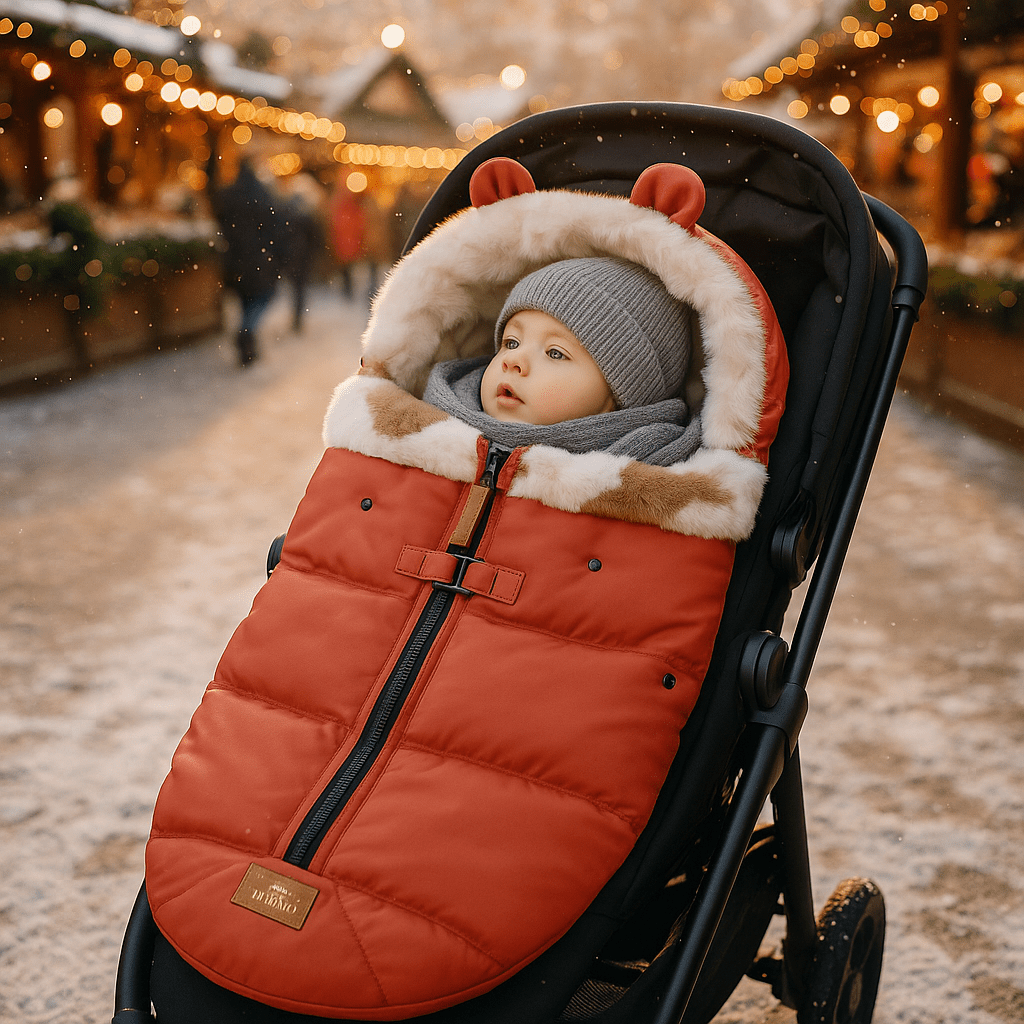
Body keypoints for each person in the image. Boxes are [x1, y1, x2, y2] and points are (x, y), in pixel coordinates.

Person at [421, 255, 700, 464]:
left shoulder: (652, 493)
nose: (513, 359)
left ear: (619, 398)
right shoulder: (417, 435)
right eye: (511, 342)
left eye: (555, 353)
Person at [209, 157, 284, 366]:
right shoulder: (263, 196)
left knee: (245, 301)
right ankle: (247, 330)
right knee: (262, 298)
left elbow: (220, 222)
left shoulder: (228, 196)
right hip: (259, 259)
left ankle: (247, 338)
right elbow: (276, 228)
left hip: (235, 260)